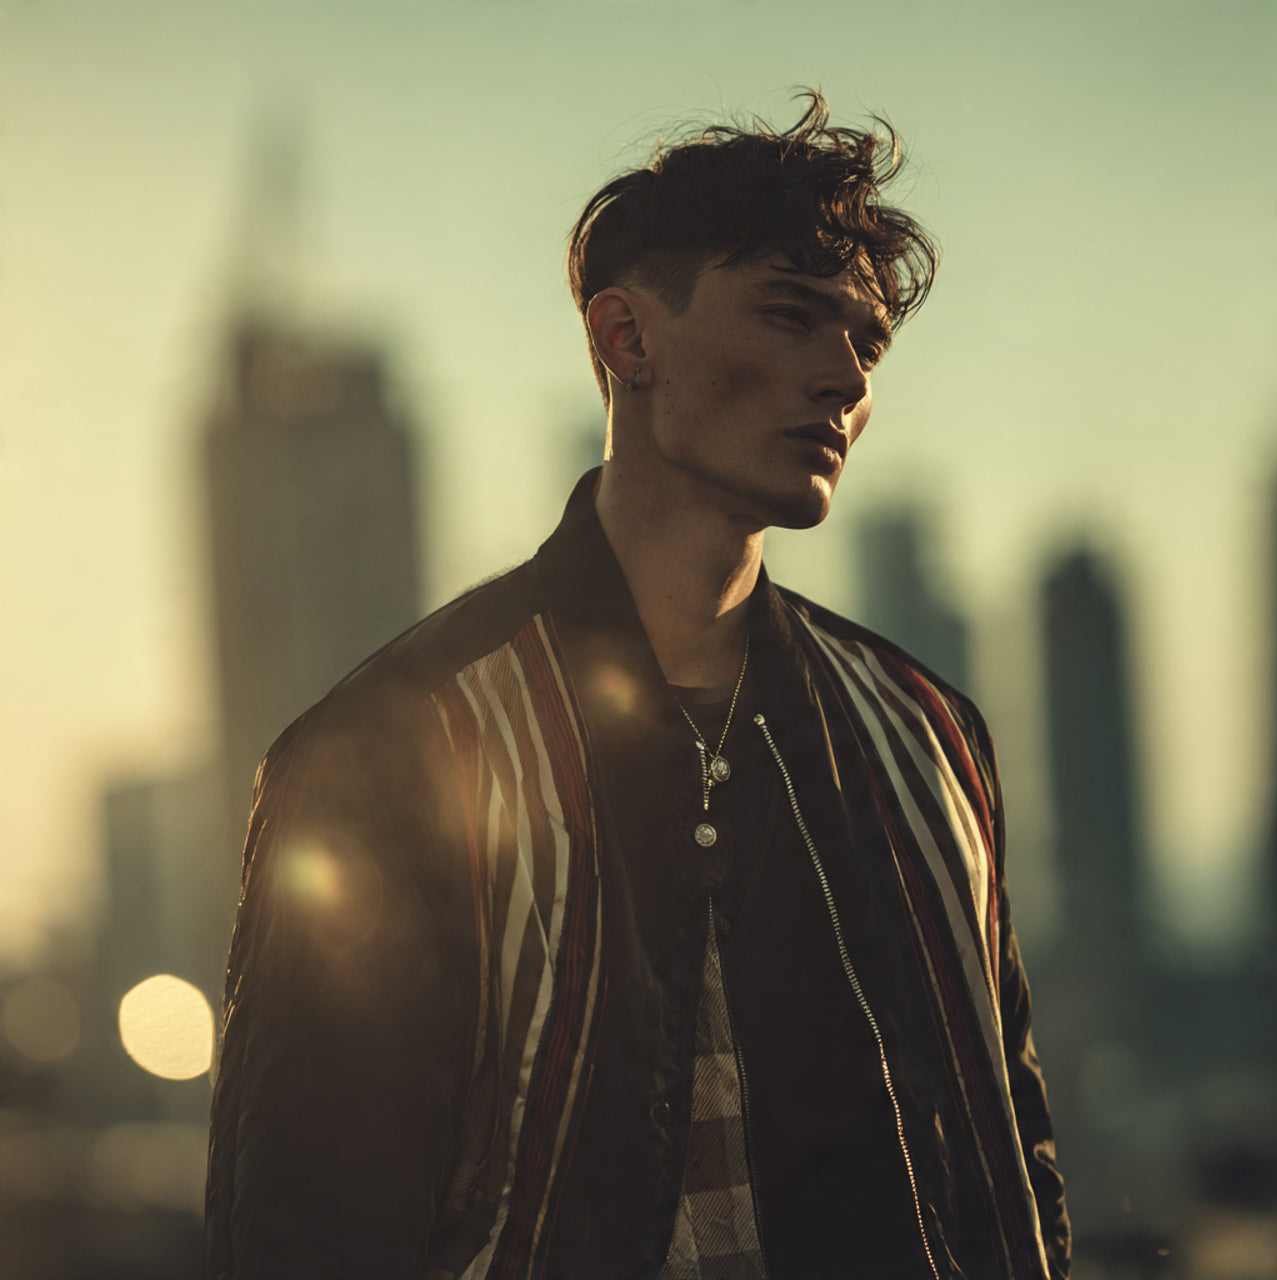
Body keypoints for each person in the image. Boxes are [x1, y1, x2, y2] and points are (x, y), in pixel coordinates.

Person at [206, 91, 1070, 1280]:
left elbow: (1011, 1161)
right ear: (626, 340)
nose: (842, 378)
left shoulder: (922, 734)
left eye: (864, 344)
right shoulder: (401, 741)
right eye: (790, 315)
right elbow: (305, 1218)